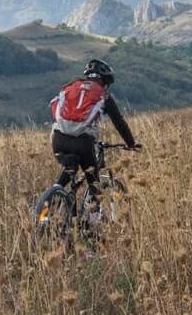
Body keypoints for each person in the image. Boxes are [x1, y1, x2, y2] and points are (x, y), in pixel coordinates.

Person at [49, 58, 139, 208]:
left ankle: (49, 201)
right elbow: (118, 122)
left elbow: (55, 106)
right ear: (104, 81)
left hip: (58, 138)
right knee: (94, 184)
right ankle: (93, 219)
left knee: (70, 167)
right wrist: (131, 143)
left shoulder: (70, 86)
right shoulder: (103, 95)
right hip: (83, 142)